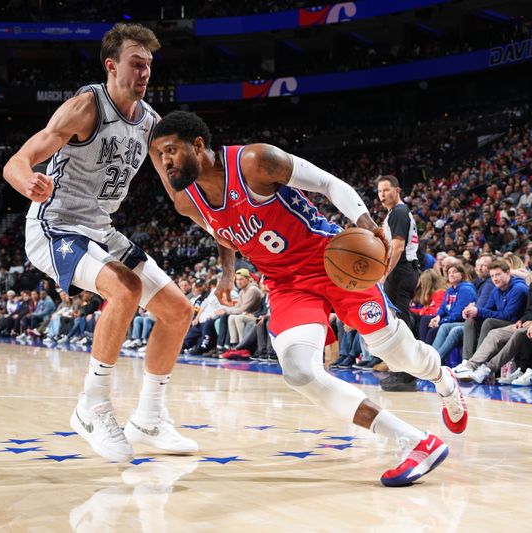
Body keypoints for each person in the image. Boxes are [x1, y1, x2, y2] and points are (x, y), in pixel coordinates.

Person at [149, 110, 467, 487]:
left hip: (333, 260)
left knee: (396, 354)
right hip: (286, 284)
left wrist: (366, 225)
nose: (165, 161)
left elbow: (330, 185)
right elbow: (221, 231)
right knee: (300, 371)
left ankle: (443, 379)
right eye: (159, 154)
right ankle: (413, 441)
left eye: (170, 150)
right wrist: (226, 272)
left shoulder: (253, 161)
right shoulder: (187, 202)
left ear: (198, 145)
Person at [2, 23, 196, 462]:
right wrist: (27, 181)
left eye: (149, 65)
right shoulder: (86, 106)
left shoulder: (151, 122)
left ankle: (149, 417)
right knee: (125, 288)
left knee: (178, 311)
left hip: (101, 227)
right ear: (112, 66)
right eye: (136, 64)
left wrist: (220, 223)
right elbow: (17, 160)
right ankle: (92, 405)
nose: (145, 73)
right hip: (55, 224)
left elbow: (180, 195)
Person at [374, 174, 422, 390]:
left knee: (401, 321)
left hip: (401, 271)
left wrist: (385, 273)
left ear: (397, 190)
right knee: (400, 320)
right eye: (379, 191)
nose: (382, 195)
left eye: (386, 190)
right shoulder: (396, 213)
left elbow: (398, 247)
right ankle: (404, 369)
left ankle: (407, 375)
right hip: (404, 271)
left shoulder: (399, 212)